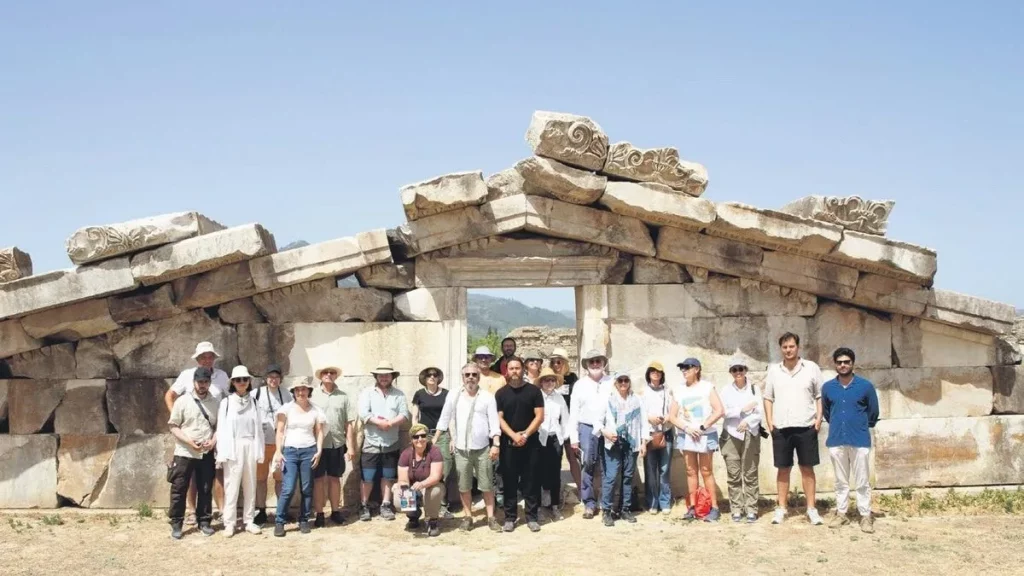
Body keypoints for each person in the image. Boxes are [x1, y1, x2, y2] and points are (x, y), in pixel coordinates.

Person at [164, 342, 229, 525]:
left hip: (214, 431)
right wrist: (179, 421)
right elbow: (170, 395)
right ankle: (191, 511)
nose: (207, 360)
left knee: (214, 473)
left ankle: (219, 510)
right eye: (203, 357)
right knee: (189, 476)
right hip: (189, 435)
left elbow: (229, 397)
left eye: (210, 356)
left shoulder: (222, 376)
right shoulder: (186, 375)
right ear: (197, 359)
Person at [764, 332, 825, 526]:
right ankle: (782, 508)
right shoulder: (774, 370)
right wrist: (769, 421)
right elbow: (768, 397)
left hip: (806, 425)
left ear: (798, 347)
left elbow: (819, 395)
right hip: (781, 426)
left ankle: (811, 509)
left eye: (791, 346)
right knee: (783, 469)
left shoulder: (811, 368)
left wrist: (819, 418)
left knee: (807, 468)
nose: (788, 350)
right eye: (784, 347)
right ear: (780, 349)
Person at [434, 363, 502, 532]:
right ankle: (468, 516)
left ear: (479, 377)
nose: (470, 377)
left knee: (486, 485)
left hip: (483, 449)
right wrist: (434, 440)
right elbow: (444, 418)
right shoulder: (453, 395)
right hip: (461, 450)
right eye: (467, 375)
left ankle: (491, 517)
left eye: (474, 374)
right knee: (464, 486)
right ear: (462, 377)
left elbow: (494, 423)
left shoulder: (487, 397)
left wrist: (496, 444)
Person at [822, 347, 880, 533]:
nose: (843, 365)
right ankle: (842, 514)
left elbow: (873, 412)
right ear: (835, 364)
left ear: (853, 363)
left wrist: (860, 425)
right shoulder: (828, 387)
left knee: (862, 480)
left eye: (846, 362)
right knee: (840, 481)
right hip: (837, 439)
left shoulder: (865, 386)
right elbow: (827, 413)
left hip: (859, 439)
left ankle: (865, 515)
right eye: (839, 362)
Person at [669, 357, 725, 522]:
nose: (684, 371)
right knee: (690, 471)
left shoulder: (707, 387)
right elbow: (672, 416)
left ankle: (714, 507)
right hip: (687, 435)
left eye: (687, 367)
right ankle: (692, 507)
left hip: (705, 435)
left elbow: (719, 410)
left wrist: (702, 427)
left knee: (706, 471)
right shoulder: (679, 390)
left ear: (697, 369)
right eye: (682, 368)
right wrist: (686, 428)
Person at [167, 366, 220, 540]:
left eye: (206, 382)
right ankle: (176, 523)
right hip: (184, 451)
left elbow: (220, 427)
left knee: (205, 488)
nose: (202, 385)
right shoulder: (182, 401)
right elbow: (173, 426)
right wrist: (189, 441)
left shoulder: (215, 403)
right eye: (200, 382)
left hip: (205, 452)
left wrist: (212, 442)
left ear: (210, 383)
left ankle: (204, 521)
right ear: (194, 382)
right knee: (179, 488)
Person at [495, 358, 545, 532]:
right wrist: (514, 435)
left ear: (523, 370)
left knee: (531, 480)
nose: (515, 371)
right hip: (508, 443)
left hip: (530, 443)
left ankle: (531, 517)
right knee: (509, 481)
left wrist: (524, 434)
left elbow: (539, 416)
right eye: (511, 368)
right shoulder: (500, 394)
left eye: (517, 368)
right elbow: (499, 418)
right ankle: (510, 518)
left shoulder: (534, 391)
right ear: (507, 371)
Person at [272, 378, 326, 537]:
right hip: (290, 451)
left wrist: (319, 450)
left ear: (309, 391)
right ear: (293, 392)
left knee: (306, 488)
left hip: (308, 450)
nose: (301, 393)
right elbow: (280, 431)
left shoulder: (316, 410)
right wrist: (278, 451)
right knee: (288, 488)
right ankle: (279, 521)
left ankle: (304, 520)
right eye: (297, 390)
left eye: (304, 389)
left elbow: (319, 432)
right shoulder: (286, 409)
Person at [357, 360, 410, 522]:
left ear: (392, 376)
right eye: (381, 375)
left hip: (391, 441)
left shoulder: (399, 394)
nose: (384, 377)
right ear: (376, 376)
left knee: (388, 476)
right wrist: (378, 422)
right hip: (371, 442)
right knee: (368, 476)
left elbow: (404, 414)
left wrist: (391, 423)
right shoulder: (367, 393)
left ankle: (385, 505)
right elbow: (363, 413)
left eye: (387, 374)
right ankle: (364, 505)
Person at [215, 365, 264, 537]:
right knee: (231, 485)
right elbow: (221, 429)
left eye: (244, 379)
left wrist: (260, 451)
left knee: (250, 484)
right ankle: (229, 523)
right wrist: (221, 453)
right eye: (238, 380)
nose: (241, 383)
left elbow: (258, 428)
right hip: (233, 447)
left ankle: (249, 520)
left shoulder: (255, 402)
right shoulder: (226, 403)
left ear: (249, 381)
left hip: (250, 444)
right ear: (233, 383)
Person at [567, 349, 613, 519]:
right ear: (586, 365)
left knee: (607, 463)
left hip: (608, 428)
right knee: (588, 464)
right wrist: (574, 438)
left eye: (598, 361)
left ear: (603, 363)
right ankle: (589, 503)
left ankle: (605, 500)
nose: (595, 364)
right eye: (591, 361)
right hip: (586, 428)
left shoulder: (612, 382)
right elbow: (574, 412)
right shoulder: (580, 385)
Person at [598, 372, 649, 527]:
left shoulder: (637, 400)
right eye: (620, 380)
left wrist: (644, 442)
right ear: (616, 383)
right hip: (613, 442)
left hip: (631, 443)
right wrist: (606, 432)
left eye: (626, 380)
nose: (623, 383)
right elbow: (598, 421)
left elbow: (643, 422)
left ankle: (625, 508)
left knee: (628, 476)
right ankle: (606, 510)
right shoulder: (608, 400)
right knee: (611, 476)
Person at [718, 356, 763, 523]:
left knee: (750, 473)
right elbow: (723, 411)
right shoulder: (725, 391)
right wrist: (742, 410)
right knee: (734, 473)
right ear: (731, 372)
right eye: (734, 369)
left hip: (750, 433)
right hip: (731, 434)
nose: (738, 372)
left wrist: (746, 421)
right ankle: (736, 508)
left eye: (741, 369)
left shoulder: (754, 390)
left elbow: (758, 412)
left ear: (745, 370)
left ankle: (751, 508)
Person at [310, 364, 356, 528]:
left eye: (332, 372)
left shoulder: (343, 396)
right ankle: (320, 514)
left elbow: (349, 423)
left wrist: (351, 446)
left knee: (335, 479)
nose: (329, 375)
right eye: (325, 372)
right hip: (317, 445)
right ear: (320, 375)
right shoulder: (312, 395)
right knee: (318, 480)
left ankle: (335, 511)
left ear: (336, 376)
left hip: (337, 443)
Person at [412, 366, 453, 516]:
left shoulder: (447, 394)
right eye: (429, 375)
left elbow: (450, 417)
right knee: (423, 468)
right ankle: (422, 501)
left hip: (442, 435)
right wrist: (415, 436)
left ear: (438, 378)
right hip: (423, 435)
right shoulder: (419, 394)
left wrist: (451, 438)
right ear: (424, 378)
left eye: (435, 375)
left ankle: (442, 505)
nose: (432, 377)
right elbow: (415, 417)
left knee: (446, 469)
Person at [253, 364, 291, 526]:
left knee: (280, 479)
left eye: (276, 377)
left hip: (280, 444)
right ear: (265, 378)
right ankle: (261, 510)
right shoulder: (257, 393)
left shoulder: (287, 394)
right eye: (270, 377)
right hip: (262, 442)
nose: (273, 380)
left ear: (280, 379)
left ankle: (281, 510)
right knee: (260, 479)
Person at [393, 423, 445, 537]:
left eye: (422, 436)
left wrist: (422, 484)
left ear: (427, 437)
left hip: (431, 485)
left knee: (435, 491)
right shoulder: (406, 454)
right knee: (398, 498)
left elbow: (436, 477)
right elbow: (403, 479)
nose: (419, 439)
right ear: (411, 439)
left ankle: (432, 521)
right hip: (413, 488)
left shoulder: (435, 451)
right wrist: (403, 486)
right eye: (416, 437)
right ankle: (413, 515)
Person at [535, 366, 569, 521]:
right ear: (541, 382)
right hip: (540, 438)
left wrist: (564, 436)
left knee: (555, 473)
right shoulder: (536, 396)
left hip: (555, 437)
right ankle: (540, 507)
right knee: (539, 473)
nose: (549, 383)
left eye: (552, 380)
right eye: (546, 380)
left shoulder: (559, 398)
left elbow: (565, 418)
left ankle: (554, 506)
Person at [549, 348, 581, 500]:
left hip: (568, 423)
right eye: (554, 362)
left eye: (559, 361)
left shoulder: (572, 379)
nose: (556, 365)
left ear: (565, 363)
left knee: (572, 457)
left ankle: (582, 490)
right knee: (553, 459)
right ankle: (554, 493)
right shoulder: (548, 378)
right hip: (553, 425)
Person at [642, 361, 673, 514]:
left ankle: (665, 501)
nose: (656, 374)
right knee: (650, 470)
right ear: (648, 373)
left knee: (665, 469)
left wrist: (667, 417)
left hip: (665, 432)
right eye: (653, 371)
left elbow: (674, 410)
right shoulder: (644, 392)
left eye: (659, 372)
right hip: (649, 434)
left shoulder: (668, 391)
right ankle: (652, 502)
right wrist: (649, 417)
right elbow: (640, 412)